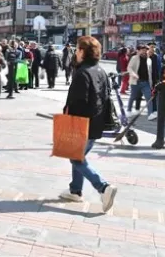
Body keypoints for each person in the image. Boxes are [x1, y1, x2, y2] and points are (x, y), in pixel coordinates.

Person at [60, 36, 117, 213]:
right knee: (78, 156)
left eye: (77, 49)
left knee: (76, 158)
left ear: (83, 52)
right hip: (96, 123)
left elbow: (78, 102)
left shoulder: (82, 73)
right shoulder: (100, 70)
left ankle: (103, 187)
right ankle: (75, 191)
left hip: (81, 123)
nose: (75, 52)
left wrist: (69, 120)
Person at [127, 45, 155, 119]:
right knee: (133, 96)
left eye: (146, 50)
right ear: (139, 51)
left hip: (146, 82)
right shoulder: (134, 58)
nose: (144, 52)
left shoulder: (149, 60)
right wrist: (133, 74)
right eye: (143, 50)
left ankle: (150, 114)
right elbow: (129, 67)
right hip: (136, 81)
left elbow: (150, 72)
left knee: (149, 97)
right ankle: (129, 111)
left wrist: (151, 83)